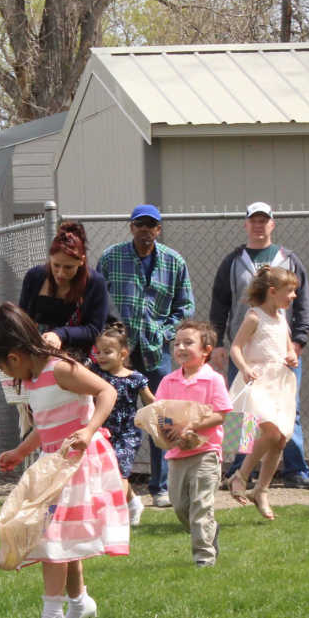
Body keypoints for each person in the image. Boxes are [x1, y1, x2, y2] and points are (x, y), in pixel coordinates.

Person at [0, 303, 129, 618]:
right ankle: (79, 602)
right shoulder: (34, 379)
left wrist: (89, 429)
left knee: (52, 537)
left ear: (14, 357)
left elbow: (107, 391)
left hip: (76, 463)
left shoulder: (60, 369)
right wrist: (21, 451)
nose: (5, 373)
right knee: (63, 536)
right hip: (55, 463)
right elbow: (47, 424)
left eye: (1, 366)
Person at [207, 202, 309, 490]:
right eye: (253, 220)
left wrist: (298, 341)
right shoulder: (233, 260)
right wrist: (218, 343)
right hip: (247, 354)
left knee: (288, 410)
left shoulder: (289, 259)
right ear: (246, 224)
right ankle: (239, 469)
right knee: (242, 411)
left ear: (272, 224)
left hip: (281, 354)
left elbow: (302, 303)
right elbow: (220, 302)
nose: (259, 225)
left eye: (264, 220)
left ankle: (295, 470)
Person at [98, 205, 195, 510]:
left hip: (155, 351)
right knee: (111, 415)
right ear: (131, 227)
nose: (145, 230)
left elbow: (185, 305)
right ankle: (111, 484)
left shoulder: (174, 261)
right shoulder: (111, 257)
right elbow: (96, 297)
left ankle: (161, 486)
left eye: (150, 225)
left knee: (160, 414)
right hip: (119, 352)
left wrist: (165, 332)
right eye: (139, 224)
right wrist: (110, 333)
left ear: (158, 229)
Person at [150, 319, 235, 563]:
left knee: (201, 505)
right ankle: (209, 531)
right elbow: (160, 412)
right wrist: (168, 429)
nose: (180, 348)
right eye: (177, 343)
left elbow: (221, 415)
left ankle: (204, 558)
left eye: (188, 343)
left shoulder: (213, 380)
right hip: (177, 455)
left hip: (206, 452)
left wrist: (192, 425)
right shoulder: (168, 381)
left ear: (206, 350)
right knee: (180, 507)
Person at [227, 266, 301, 521]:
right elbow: (235, 348)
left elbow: (287, 347)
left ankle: (261, 490)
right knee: (269, 432)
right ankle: (240, 476)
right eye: (289, 291)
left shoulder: (281, 317)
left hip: (280, 383)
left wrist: (291, 356)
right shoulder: (254, 317)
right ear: (272, 291)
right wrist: (245, 368)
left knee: (280, 439)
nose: (293, 296)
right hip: (258, 381)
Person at [90, 322, 154, 527]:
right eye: (98, 352)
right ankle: (133, 502)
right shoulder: (96, 374)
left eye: (107, 352)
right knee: (106, 471)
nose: (101, 356)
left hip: (128, 433)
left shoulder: (136, 379)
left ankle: (116, 516)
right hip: (103, 431)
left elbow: (151, 402)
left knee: (118, 471)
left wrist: (165, 415)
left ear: (123, 354)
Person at [18, 220, 109, 363]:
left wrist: (60, 334)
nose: (60, 273)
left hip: (77, 360)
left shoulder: (95, 283)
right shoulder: (34, 277)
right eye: (56, 265)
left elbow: (94, 329)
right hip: (37, 356)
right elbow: (23, 317)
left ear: (81, 261)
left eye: (68, 267)